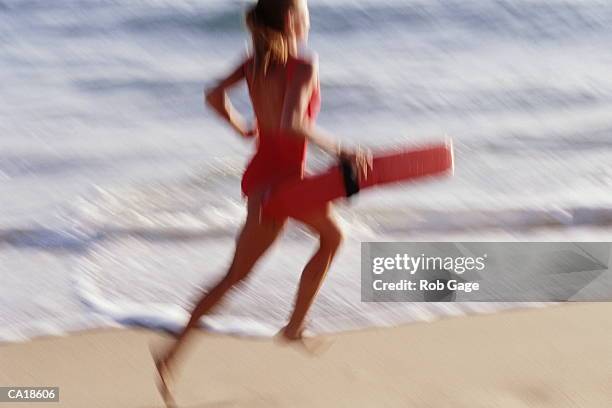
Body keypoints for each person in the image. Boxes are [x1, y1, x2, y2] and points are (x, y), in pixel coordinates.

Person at [153, 0, 371, 402]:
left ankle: (172, 353)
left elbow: (214, 95)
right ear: (293, 20)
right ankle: (292, 327)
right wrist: (343, 149)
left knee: (236, 275)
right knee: (331, 239)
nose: (309, 19)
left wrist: (241, 128)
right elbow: (293, 122)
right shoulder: (304, 65)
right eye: (306, 12)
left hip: (260, 182)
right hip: (286, 184)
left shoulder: (254, 63)